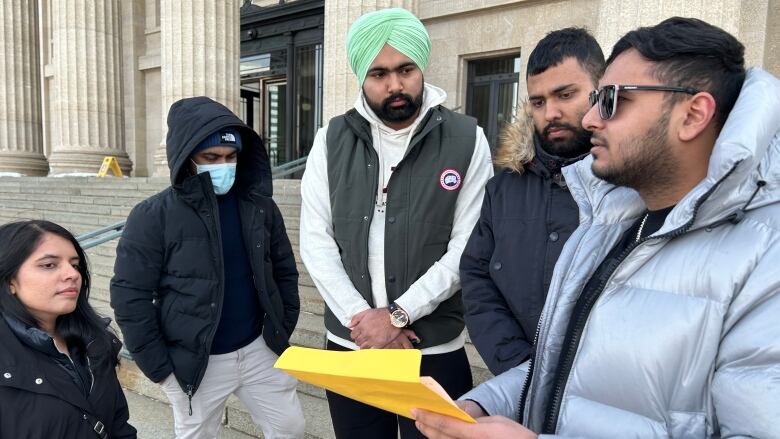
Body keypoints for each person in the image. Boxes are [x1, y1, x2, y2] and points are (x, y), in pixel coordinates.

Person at [414, 17, 780, 438]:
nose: (589, 119)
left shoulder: (766, 258)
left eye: (611, 101)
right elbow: (564, 368)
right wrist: (486, 402)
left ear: (693, 114)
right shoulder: (606, 225)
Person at [299, 7, 493, 439]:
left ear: (420, 66)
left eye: (405, 69)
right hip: (353, 348)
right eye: (379, 73)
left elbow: (467, 245)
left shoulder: (466, 138)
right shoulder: (330, 140)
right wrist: (366, 324)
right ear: (362, 78)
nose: (394, 84)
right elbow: (316, 241)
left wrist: (399, 316)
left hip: (432, 347)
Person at [110, 96, 304, 438]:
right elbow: (130, 295)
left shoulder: (259, 206)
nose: (223, 165)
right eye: (211, 157)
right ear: (187, 158)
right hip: (196, 361)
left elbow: (284, 270)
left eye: (231, 157)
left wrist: (282, 324)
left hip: (261, 348)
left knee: (290, 429)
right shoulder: (152, 215)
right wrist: (159, 368)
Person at [460, 28, 604, 375]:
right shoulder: (504, 188)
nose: (550, 112)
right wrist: (518, 368)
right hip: (517, 383)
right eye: (537, 102)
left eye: (565, 95)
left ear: (601, 90)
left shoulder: (632, 183)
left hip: (603, 392)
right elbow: (477, 278)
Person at [0, 220, 137, 439]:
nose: (72, 274)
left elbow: (118, 424)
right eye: (49, 265)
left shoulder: (94, 341)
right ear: (9, 281)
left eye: (75, 264)